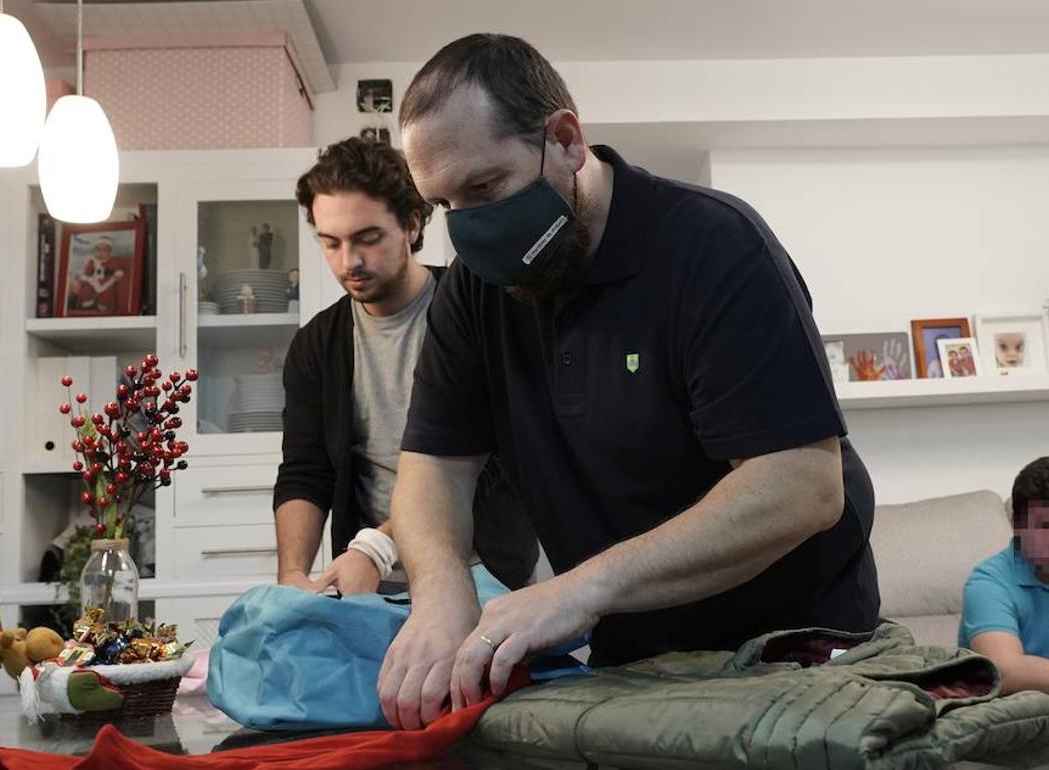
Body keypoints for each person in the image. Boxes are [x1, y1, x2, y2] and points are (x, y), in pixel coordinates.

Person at [377, 34, 880, 729]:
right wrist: (440, 590)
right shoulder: (472, 295)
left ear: (566, 139)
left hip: (794, 655)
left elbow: (800, 482)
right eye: (445, 205)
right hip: (630, 661)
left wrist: (580, 590)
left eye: (485, 188)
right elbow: (434, 466)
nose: (470, 228)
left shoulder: (714, 245)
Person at [272, 136, 538, 598]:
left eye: (367, 239)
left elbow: (486, 457)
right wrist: (293, 576)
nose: (349, 261)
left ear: (413, 225)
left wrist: (376, 547)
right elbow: (305, 470)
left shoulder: (478, 308)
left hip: (484, 574)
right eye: (330, 243)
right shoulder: (317, 344)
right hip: (371, 583)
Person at [960, 458, 1049, 693]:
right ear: (1016, 525)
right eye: (1046, 526)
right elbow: (1003, 670)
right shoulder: (988, 583)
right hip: (1018, 715)